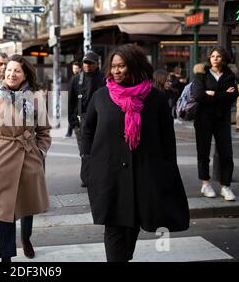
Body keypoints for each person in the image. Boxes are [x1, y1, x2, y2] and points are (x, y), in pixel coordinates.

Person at [81, 44, 189, 262]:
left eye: (122, 66)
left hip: (144, 175)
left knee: (133, 225)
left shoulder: (156, 99)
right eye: (113, 67)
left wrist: (167, 171)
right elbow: (87, 129)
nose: (116, 71)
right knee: (114, 228)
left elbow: (167, 139)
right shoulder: (101, 97)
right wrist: (89, 161)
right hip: (109, 175)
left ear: (135, 67)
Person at [0, 54, 51, 262]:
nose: (11, 74)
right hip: (1, 157)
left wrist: (40, 152)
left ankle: (26, 239)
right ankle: (6, 256)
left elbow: (44, 130)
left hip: (28, 155)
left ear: (25, 73)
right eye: (8, 70)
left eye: (17, 70)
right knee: (4, 210)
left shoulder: (36, 96)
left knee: (27, 206)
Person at [193, 47, 238, 201]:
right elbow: (198, 95)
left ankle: (226, 186)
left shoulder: (229, 75)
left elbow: (232, 96)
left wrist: (213, 94)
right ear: (209, 58)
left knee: (227, 153)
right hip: (203, 119)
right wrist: (222, 95)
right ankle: (205, 183)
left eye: (218, 56)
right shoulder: (202, 74)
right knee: (203, 152)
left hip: (222, 119)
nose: (215, 58)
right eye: (213, 56)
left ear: (223, 58)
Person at [68, 50, 105, 187]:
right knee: (84, 151)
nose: (87, 66)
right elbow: (70, 101)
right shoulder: (76, 79)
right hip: (81, 120)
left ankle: (97, 175)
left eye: (90, 63)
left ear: (97, 64)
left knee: (99, 149)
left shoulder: (103, 79)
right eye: (85, 63)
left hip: (100, 119)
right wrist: (73, 122)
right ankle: (86, 177)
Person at [64, 61, 81, 138]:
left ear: (80, 69)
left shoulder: (80, 78)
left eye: (76, 68)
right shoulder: (73, 77)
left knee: (76, 116)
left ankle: (71, 132)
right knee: (72, 115)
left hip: (78, 100)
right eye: (73, 68)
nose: (75, 70)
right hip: (73, 100)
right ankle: (70, 131)